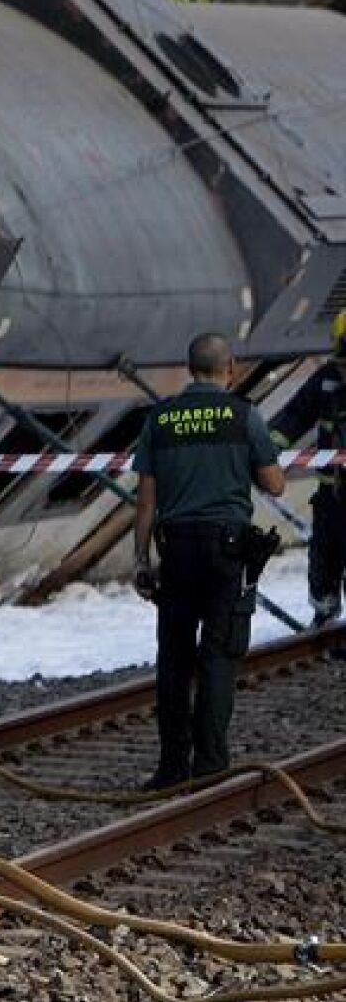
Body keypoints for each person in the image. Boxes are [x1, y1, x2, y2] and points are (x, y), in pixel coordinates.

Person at [132, 332, 285, 790]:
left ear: (189, 368)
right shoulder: (243, 416)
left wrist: (141, 560)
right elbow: (275, 484)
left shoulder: (160, 419)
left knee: (174, 660)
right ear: (230, 367)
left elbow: (145, 503)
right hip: (227, 550)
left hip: (176, 552)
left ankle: (171, 768)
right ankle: (211, 765)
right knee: (219, 655)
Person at [268, 311, 346, 625]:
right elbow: (294, 417)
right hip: (332, 494)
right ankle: (325, 622)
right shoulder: (327, 380)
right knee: (325, 559)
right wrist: (268, 449)